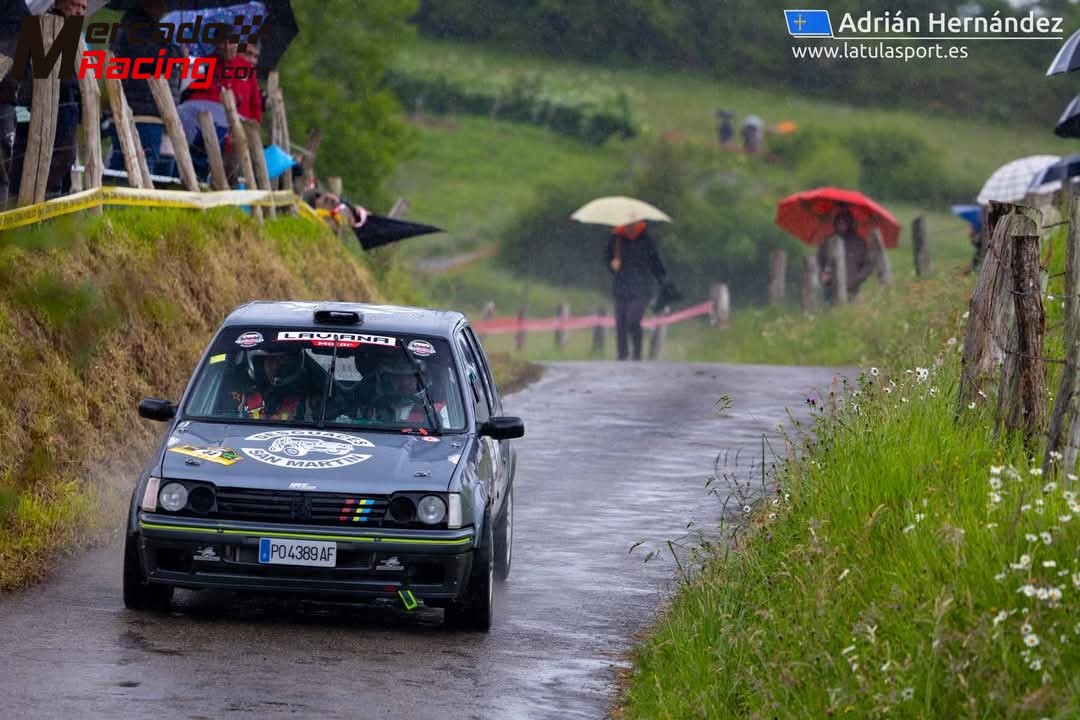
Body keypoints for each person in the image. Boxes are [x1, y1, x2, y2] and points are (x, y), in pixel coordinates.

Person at [111, 0, 187, 118]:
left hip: (147, 105)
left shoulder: (145, 25)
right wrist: (179, 52)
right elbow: (152, 58)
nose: (165, 7)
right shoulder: (137, 25)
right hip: (142, 107)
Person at [605, 220, 667, 361]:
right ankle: (622, 355)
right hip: (621, 286)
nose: (629, 226)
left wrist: (661, 281)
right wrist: (612, 264)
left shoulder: (647, 240)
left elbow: (657, 263)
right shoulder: (616, 239)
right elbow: (607, 258)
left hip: (642, 287)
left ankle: (637, 354)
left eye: (632, 223)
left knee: (633, 319)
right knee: (620, 322)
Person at [177, 34, 236, 145]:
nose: (227, 47)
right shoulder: (201, 65)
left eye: (231, 42)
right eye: (223, 43)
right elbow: (184, 95)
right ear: (216, 44)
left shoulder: (241, 68)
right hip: (197, 124)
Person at [817, 209, 873, 304]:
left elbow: (868, 265)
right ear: (835, 223)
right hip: (830, 290)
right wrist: (823, 274)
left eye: (844, 222)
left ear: (850, 223)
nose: (841, 225)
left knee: (851, 316)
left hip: (852, 291)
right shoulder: (828, 241)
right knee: (830, 316)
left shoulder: (859, 243)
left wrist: (857, 279)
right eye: (839, 222)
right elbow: (819, 262)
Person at [235, 348, 307, 421]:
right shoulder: (241, 394)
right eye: (271, 361)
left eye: (281, 362)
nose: (276, 367)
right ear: (259, 364)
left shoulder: (300, 395)